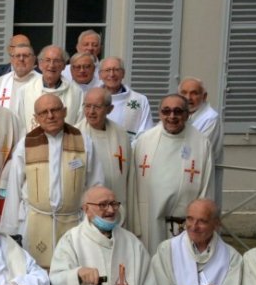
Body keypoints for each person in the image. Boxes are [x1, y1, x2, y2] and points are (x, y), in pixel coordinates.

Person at [0, 93, 101, 268]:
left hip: (73, 223)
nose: (50, 116)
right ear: (36, 118)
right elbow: (14, 187)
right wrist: (10, 229)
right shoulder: (26, 144)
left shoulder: (84, 142)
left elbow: (95, 184)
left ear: (65, 111)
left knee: (71, 273)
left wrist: (94, 223)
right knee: (35, 275)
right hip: (35, 222)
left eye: (55, 110)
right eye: (43, 112)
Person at [128, 94, 213, 255]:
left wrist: (201, 220)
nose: (171, 116)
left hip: (185, 222)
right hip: (150, 219)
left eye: (178, 111)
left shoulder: (201, 143)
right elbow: (132, 186)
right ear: (159, 114)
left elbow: (207, 186)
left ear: (187, 115)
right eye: (166, 111)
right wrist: (135, 223)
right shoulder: (144, 141)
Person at [79, 87, 130, 206]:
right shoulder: (75, 135)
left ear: (110, 109)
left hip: (118, 203)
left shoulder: (121, 134)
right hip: (89, 206)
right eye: (87, 106)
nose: (91, 111)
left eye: (97, 107)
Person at [14, 46, 83, 129]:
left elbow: (80, 125)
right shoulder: (25, 91)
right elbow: (19, 125)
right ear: (40, 64)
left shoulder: (76, 93)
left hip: (67, 141)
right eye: (47, 60)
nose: (51, 65)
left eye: (56, 61)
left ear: (64, 65)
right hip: (34, 141)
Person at [181, 77, 224, 207]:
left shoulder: (210, 118)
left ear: (204, 96)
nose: (188, 97)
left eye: (194, 93)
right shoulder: (180, 114)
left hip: (200, 174)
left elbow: (195, 147)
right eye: (184, 93)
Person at [100, 57, 152, 139]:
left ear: (123, 74)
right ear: (100, 75)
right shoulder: (91, 98)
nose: (112, 74)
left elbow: (146, 133)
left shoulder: (140, 100)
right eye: (107, 70)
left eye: (116, 70)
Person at [0, 42, 38, 113]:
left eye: (25, 56)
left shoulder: (42, 82)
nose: (21, 59)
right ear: (11, 60)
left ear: (34, 59)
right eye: (17, 56)